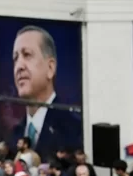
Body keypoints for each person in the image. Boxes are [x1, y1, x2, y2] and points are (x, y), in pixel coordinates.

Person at [9, 26, 80, 159]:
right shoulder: (15, 133)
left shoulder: (72, 129)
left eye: (27, 55)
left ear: (50, 68)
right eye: (15, 58)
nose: (19, 66)